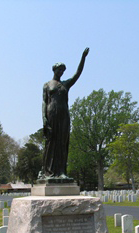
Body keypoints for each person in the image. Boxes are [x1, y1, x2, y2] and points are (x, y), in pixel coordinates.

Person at [41, 47, 89, 179]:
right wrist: (44, 118)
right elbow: (44, 102)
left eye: (63, 70)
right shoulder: (47, 85)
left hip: (64, 116)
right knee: (51, 143)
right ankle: (48, 171)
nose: (61, 72)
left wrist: (83, 58)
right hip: (51, 115)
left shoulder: (65, 84)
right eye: (59, 70)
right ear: (54, 70)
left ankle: (61, 171)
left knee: (62, 143)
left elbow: (77, 73)